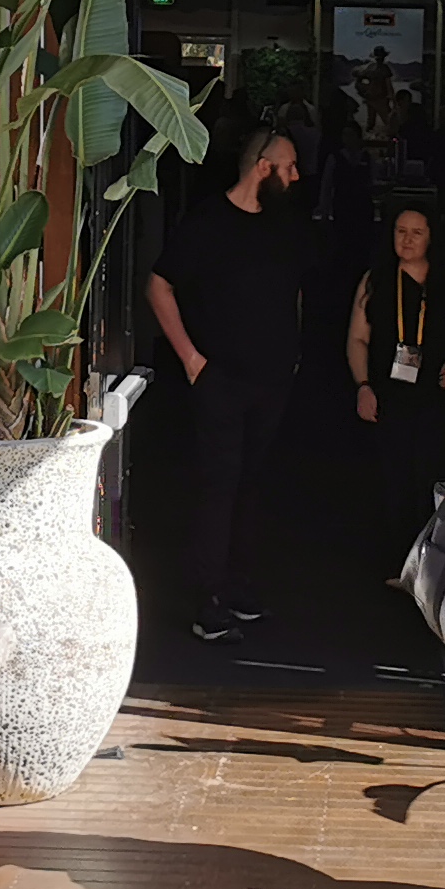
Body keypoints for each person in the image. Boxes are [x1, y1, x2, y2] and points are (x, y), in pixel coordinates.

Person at [147, 126, 312, 642]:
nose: (296, 176)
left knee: (251, 483)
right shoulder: (209, 222)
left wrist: (293, 353)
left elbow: (293, 292)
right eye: (288, 166)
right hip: (220, 380)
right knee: (219, 485)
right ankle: (208, 599)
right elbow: (159, 285)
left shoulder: (284, 224)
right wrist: (192, 360)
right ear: (263, 168)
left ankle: (237, 586)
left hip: (272, 380)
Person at [350, 201, 445, 560]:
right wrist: (363, 385)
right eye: (401, 231)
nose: (407, 240)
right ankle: (397, 559)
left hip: (437, 394)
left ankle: (432, 560)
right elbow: (358, 338)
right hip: (388, 395)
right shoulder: (376, 279)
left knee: (433, 476)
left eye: (416, 233)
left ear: (431, 238)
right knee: (393, 477)